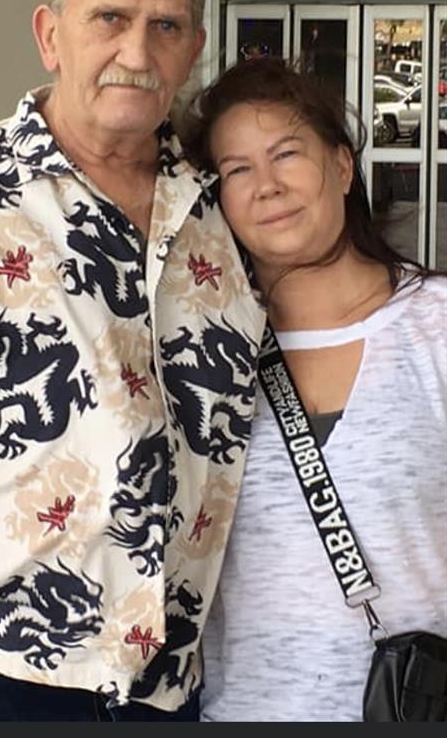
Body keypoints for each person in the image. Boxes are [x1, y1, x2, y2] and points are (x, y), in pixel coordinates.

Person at [0, 0, 265, 722]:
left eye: (166, 26)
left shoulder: (220, 207)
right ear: (50, 33)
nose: (136, 52)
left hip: (172, 686)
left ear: (194, 50)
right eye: (109, 17)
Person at [183, 55, 447, 722]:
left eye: (285, 154)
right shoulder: (201, 353)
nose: (266, 186)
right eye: (237, 169)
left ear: (341, 165)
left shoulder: (435, 325)